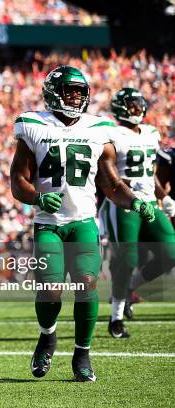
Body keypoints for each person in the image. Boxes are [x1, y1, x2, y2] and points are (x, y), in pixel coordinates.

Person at [10, 66, 155, 382]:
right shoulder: (33, 124)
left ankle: (82, 353)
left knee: (87, 285)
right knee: (50, 289)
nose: (76, 96)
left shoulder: (99, 128)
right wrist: (36, 197)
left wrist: (135, 201)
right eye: (69, 90)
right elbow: (18, 179)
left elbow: (111, 183)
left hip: (84, 222)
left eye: (80, 91)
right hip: (48, 223)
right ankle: (48, 336)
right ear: (53, 93)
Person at [100, 87, 175, 335]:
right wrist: (129, 184)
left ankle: (131, 288)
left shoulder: (151, 133)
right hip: (123, 205)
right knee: (127, 259)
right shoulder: (111, 134)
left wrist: (164, 196)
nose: (136, 109)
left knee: (170, 252)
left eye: (138, 104)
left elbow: (149, 174)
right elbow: (105, 174)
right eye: (131, 105)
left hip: (149, 203)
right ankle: (116, 318)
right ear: (121, 108)